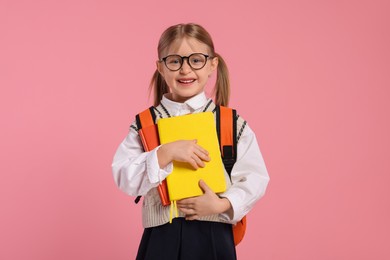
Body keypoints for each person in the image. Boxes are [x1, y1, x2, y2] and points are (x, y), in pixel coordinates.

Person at [112, 23, 270, 260]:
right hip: (160, 240)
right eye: (174, 61)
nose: (185, 69)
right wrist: (164, 153)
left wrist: (222, 205)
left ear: (212, 65)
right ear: (160, 67)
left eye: (196, 60)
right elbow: (124, 177)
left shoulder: (230, 123)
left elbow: (255, 178)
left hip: (214, 238)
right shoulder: (145, 124)